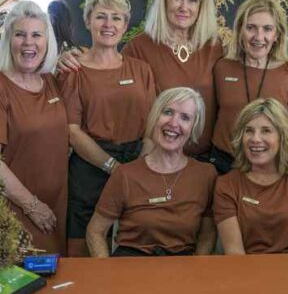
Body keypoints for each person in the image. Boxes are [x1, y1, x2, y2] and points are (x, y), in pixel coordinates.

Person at [61, 0, 288, 162]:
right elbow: (109, 74)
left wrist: (287, 68)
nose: (184, 7)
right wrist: (73, 57)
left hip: (207, 159)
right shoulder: (140, 47)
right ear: (165, 2)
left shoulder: (214, 46)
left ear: (202, 7)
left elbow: (250, 70)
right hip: (156, 157)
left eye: (192, 0)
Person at [59, 0, 156, 257]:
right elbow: (72, 131)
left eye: (116, 18)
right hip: (90, 166)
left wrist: (138, 168)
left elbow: (151, 125)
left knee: (132, 241)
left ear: (125, 26)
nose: (108, 25)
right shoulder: (73, 70)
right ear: (88, 21)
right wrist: (112, 166)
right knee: (83, 246)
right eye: (101, 16)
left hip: (136, 161)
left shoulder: (141, 70)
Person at [0, 1, 68, 255]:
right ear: (8, 41)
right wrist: (32, 206)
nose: (29, 43)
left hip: (56, 209)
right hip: (16, 214)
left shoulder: (50, 82)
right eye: (20, 35)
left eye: (37, 35)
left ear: (47, 41)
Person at [86, 87, 217, 257]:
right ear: (155, 117)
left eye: (185, 117)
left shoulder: (205, 175)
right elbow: (95, 232)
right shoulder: (125, 174)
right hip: (131, 267)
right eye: (168, 112)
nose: (174, 123)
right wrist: (108, 276)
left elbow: (207, 235)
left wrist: (198, 273)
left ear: (193, 127)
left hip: (183, 271)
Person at [210, 0, 288, 174]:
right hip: (223, 164)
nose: (259, 36)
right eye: (251, 28)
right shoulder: (222, 68)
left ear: (277, 35)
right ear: (240, 30)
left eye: (267, 29)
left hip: (271, 167)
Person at [214, 98, 288, 254]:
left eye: (266, 130)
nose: (255, 139)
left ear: (282, 137)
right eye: (249, 130)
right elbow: (234, 254)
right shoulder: (226, 185)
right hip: (244, 273)